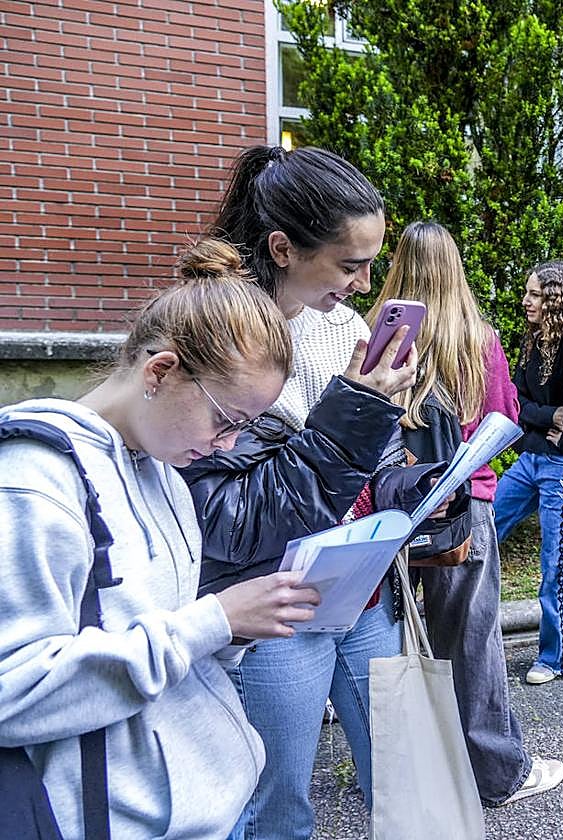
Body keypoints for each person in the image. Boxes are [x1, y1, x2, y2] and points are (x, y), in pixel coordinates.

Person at [0, 239, 322, 838]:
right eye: (226, 419)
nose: (229, 444)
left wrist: (238, 629)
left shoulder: (165, 472)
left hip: (201, 807)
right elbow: (12, 691)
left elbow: (168, 640)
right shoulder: (32, 481)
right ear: (161, 371)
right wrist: (213, 621)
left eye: (247, 427)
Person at [181, 145, 417, 840]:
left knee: (400, 773)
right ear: (283, 248)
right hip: (273, 600)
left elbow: (362, 467)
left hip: (357, 588)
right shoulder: (218, 339)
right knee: (276, 804)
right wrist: (355, 412)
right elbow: (234, 520)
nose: (365, 282)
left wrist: (419, 483)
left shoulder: (343, 325)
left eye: (372, 261)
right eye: (349, 264)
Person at [366, 220, 563, 804]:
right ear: (455, 267)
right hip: (463, 507)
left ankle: (403, 765)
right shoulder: (478, 338)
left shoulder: (380, 336)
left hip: (390, 502)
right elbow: (504, 417)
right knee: (471, 644)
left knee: (390, 640)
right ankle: (498, 774)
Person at [494, 261, 563, 685]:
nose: (526, 301)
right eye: (527, 293)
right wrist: (547, 418)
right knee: (486, 527)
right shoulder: (532, 341)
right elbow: (516, 401)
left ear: (556, 299)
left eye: (535, 294)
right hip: (530, 461)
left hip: (562, 464)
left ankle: (554, 657)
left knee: (556, 562)